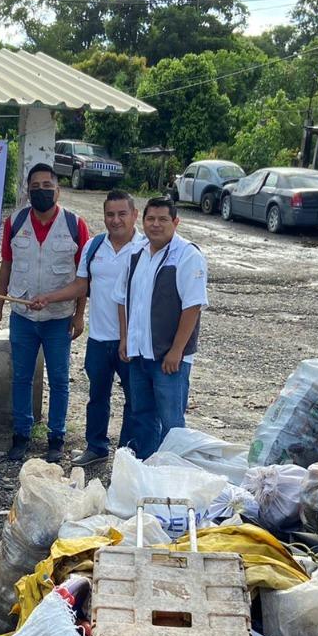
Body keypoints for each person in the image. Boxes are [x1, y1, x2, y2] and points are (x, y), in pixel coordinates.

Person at [29, 190, 146, 467]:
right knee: (97, 396)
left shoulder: (145, 249)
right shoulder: (93, 247)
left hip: (134, 340)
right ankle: (97, 447)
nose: (115, 220)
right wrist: (49, 297)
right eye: (110, 214)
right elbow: (81, 286)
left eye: (122, 214)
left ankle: (127, 454)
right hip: (99, 338)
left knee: (134, 400)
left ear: (134, 215)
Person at [0, 163, 90, 463]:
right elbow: (7, 264)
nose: (41, 190)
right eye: (35, 186)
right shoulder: (15, 222)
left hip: (59, 319)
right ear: (27, 191)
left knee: (58, 379)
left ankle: (56, 439)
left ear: (58, 189)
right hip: (23, 317)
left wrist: (79, 315)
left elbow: (84, 276)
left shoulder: (74, 224)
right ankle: (21, 436)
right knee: (21, 377)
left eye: (47, 185)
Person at [113, 197, 208, 460]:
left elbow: (193, 306)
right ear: (142, 221)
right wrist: (125, 339)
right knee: (142, 416)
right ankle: (146, 470)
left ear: (175, 222)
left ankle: (173, 476)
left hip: (169, 359)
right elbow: (123, 299)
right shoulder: (136, 254)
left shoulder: (187, 255)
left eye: (163, 219)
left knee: (171, 423)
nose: (156, 225)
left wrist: (176, 350)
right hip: (139, 354)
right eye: (150, 219)